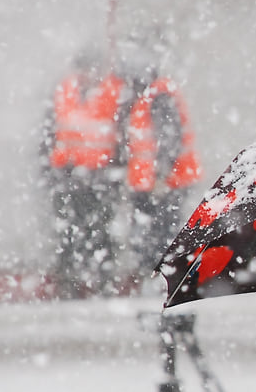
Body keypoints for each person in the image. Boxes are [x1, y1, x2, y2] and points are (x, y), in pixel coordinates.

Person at [41, 52, 123, 298]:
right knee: (68, 233)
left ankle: (102, 283)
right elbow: (51, 133)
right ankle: (69, 285)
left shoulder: (113, 94)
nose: (87, 75)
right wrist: (52, 171)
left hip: (101, 178)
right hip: (69, 176)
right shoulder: (64, 92)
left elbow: (122, 136)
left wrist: (115, 173)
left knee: (101, 232)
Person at [119, 61, 202, 283]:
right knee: (159, 236)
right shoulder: (152, 96)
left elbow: (169, 139)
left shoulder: (158, 97)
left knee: (161, 238)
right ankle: (161, 282)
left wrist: (161, 177)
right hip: (157, 184)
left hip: (165, 185)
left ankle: (163, 284)